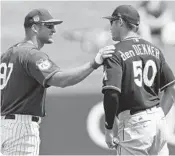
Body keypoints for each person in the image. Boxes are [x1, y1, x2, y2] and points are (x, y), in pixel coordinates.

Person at [0, 8, 115, 155]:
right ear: (35, 27)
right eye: (49, 26)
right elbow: (61, 80)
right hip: (21, 127)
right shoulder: (32, 55)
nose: (54, 30)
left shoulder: (8, 53)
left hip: (4, 125)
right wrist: (94, 63)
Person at [101, 4, 175, 155]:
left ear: (120, 21)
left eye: (112, 22)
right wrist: (160, 115)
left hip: (134, 123)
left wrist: (109, 129)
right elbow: (171, 89)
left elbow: (112, 94)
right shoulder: (154, 50)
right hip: (158, 121)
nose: (110, 27)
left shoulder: (114, 52)